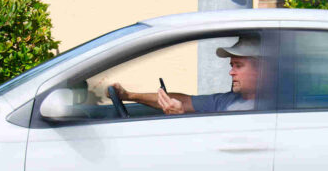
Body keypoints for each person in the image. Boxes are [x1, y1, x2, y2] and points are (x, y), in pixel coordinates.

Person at [111, 35, 260, 115]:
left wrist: (181, 117)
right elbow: (186, 101)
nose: (231, 72)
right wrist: (129, 96)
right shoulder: (228, 100)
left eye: (238, 66)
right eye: (231, 65)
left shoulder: (270, 108)